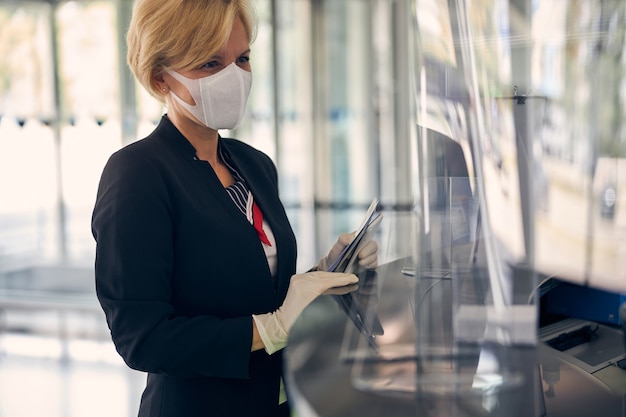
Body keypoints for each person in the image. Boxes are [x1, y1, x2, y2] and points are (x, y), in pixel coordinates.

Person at [91, 1, 379, 416]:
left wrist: (325, 273)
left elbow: (262, 293)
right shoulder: (138, 173)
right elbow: (142, 339)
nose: (234, 77)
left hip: (279, 402)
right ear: (160, 78)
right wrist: (270, 328)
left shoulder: (253, 165)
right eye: (210, 64)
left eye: (242, 59)